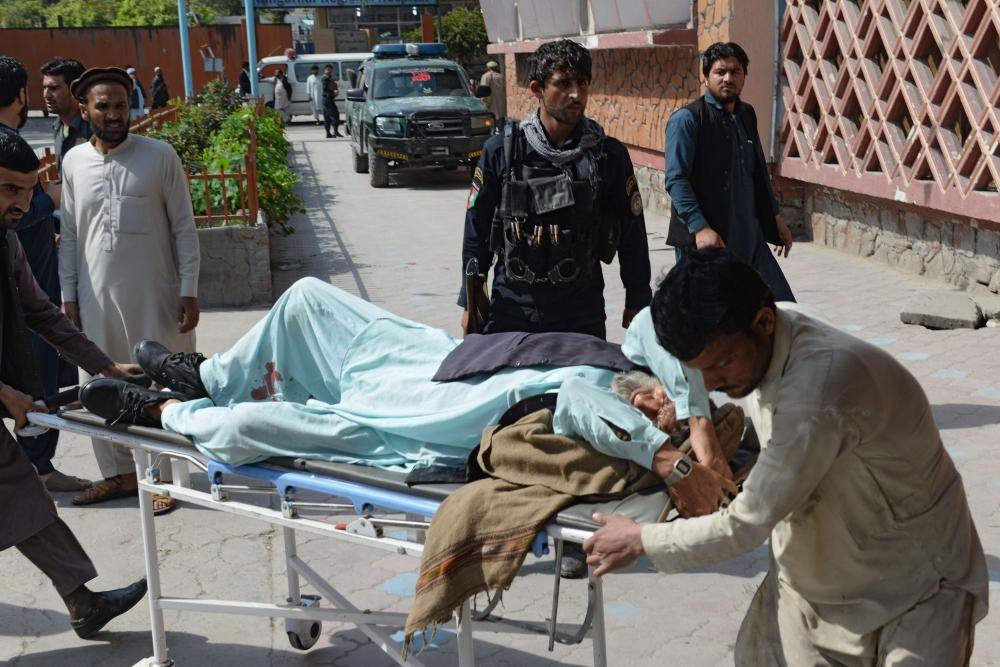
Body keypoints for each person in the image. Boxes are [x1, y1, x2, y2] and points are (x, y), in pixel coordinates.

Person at [583, 249, 989, 665]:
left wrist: (642, 539)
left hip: (917, 587)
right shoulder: (770, 332)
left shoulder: (819, 387)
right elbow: (648, 325)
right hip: (811, 581)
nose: (711, 384)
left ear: (763, 323)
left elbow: (746, 524)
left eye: (722, 363)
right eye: (695, 371)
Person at [81, 277, 735, 522]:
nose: (661, 401)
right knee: (307, 299)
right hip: (437, 359)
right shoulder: (634, 363)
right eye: (667, 396)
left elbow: (576, 401)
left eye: (663, 413)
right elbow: (654, 325)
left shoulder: (605, 410)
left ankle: (163, 410)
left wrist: (670, 457)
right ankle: (207, 375)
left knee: (247, 428)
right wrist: (697, 422)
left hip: (418, 425)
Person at [0, 125, 149, 639]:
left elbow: (41, 312)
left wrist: (105, 366)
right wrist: (5, 393)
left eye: (28, 190)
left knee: (22, 493)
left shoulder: (7, 243)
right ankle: (82, 601)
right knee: (18, 491)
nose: (22, 204)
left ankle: (82, 602)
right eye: (9, 190)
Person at [59, 67, 201, 514]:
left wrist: (189, 288)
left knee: (159, 383)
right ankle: (119, 475)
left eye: (121, 105)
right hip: (94, 299)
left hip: (155, 296)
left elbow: (184, 227)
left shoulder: (159, 156)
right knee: (100, 384)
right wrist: (68, 296)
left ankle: (165, 477)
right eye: (103, 106)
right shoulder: (73, 162)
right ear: (85, 110)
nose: (114, 114)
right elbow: (71, 235)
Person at [459, 39, 652, 341]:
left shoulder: (607, 155)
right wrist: (470, 301)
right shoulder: (502, 151)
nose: (576, 94)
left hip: (581, 310)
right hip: (512, 307)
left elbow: (632, 233)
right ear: (537, 88)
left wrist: (638, 299)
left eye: (583, 83)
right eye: (564, 84)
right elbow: (477, 228)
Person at [0, 56, 86, 492]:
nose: (47, 95)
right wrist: (47, 202)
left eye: (55, 87)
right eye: (41, 87)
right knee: (36, 376)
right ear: (21, 95)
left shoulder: (62, 133)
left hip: (39, 274)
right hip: (26, 284)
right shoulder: (9, 148)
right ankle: (40, 469)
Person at [664, 42, 795, 303]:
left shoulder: (746, 114)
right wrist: (700, 228)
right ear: (706, 76)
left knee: (780, 308)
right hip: (709, 242)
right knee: (710, 315)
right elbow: (676, 180)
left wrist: (775, 217)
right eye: (720, 72)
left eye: (735, 72)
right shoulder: (688, 120)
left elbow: (758, 170)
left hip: (750, 239)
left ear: (744, 76)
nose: (728, 78)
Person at [41, 57, 91, 175]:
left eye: (53, 88)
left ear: (75, 90)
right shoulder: (58, 127)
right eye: (44, 87)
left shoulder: (94, 128)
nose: (46, 94)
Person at [479, 60, 506, 129]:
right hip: (500, 101)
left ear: (488, 67)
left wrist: (484, 101)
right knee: (500, 118)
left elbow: (483, 90)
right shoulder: (501, 76)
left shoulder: (485, 76)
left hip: (489, 101)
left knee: (490, 120)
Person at [321, 64, 341, 138]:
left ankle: (329, 133)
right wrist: (333, 92)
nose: (329, 71)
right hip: (327, 99)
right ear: (325, 70)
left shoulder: (329, 78)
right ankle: (335, 132)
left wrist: (334, 92)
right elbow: (325, 88)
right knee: (335, 115)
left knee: (327, 117)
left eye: (330, 70)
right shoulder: (325, 78)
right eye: (328, 70)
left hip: (327, 99)